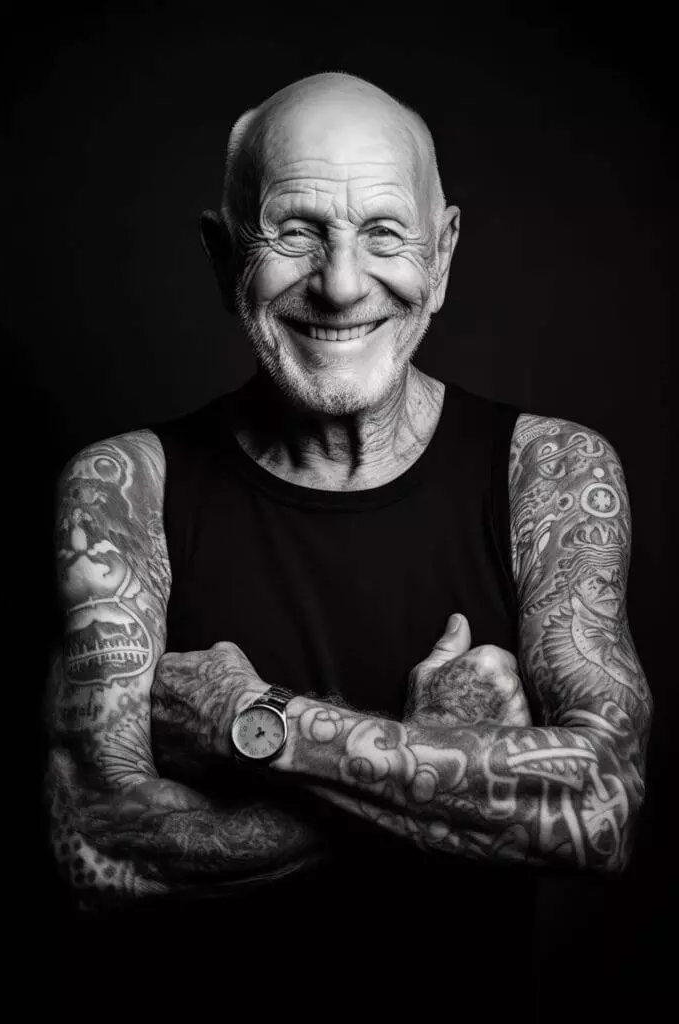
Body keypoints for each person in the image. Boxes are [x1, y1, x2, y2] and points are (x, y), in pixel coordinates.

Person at [45, 72, 652, 1018]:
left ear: (442, 254)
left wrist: (261, 727)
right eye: (293, 231)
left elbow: (601, 810)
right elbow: (100, 846)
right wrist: (444, 766)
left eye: (383, 232)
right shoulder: (125, 488)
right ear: (220, 255)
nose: (338, 283)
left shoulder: (551, 470)